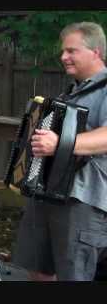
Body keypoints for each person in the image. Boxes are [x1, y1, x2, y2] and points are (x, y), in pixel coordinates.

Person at [14, 21, 107, 281]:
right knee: (38, 269)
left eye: (71, 51)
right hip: (47, 193)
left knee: (73, 276)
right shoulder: (72, 92)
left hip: (83, 200)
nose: (63, 57)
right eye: (62, 52)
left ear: (96, 51)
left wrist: (60, 144)